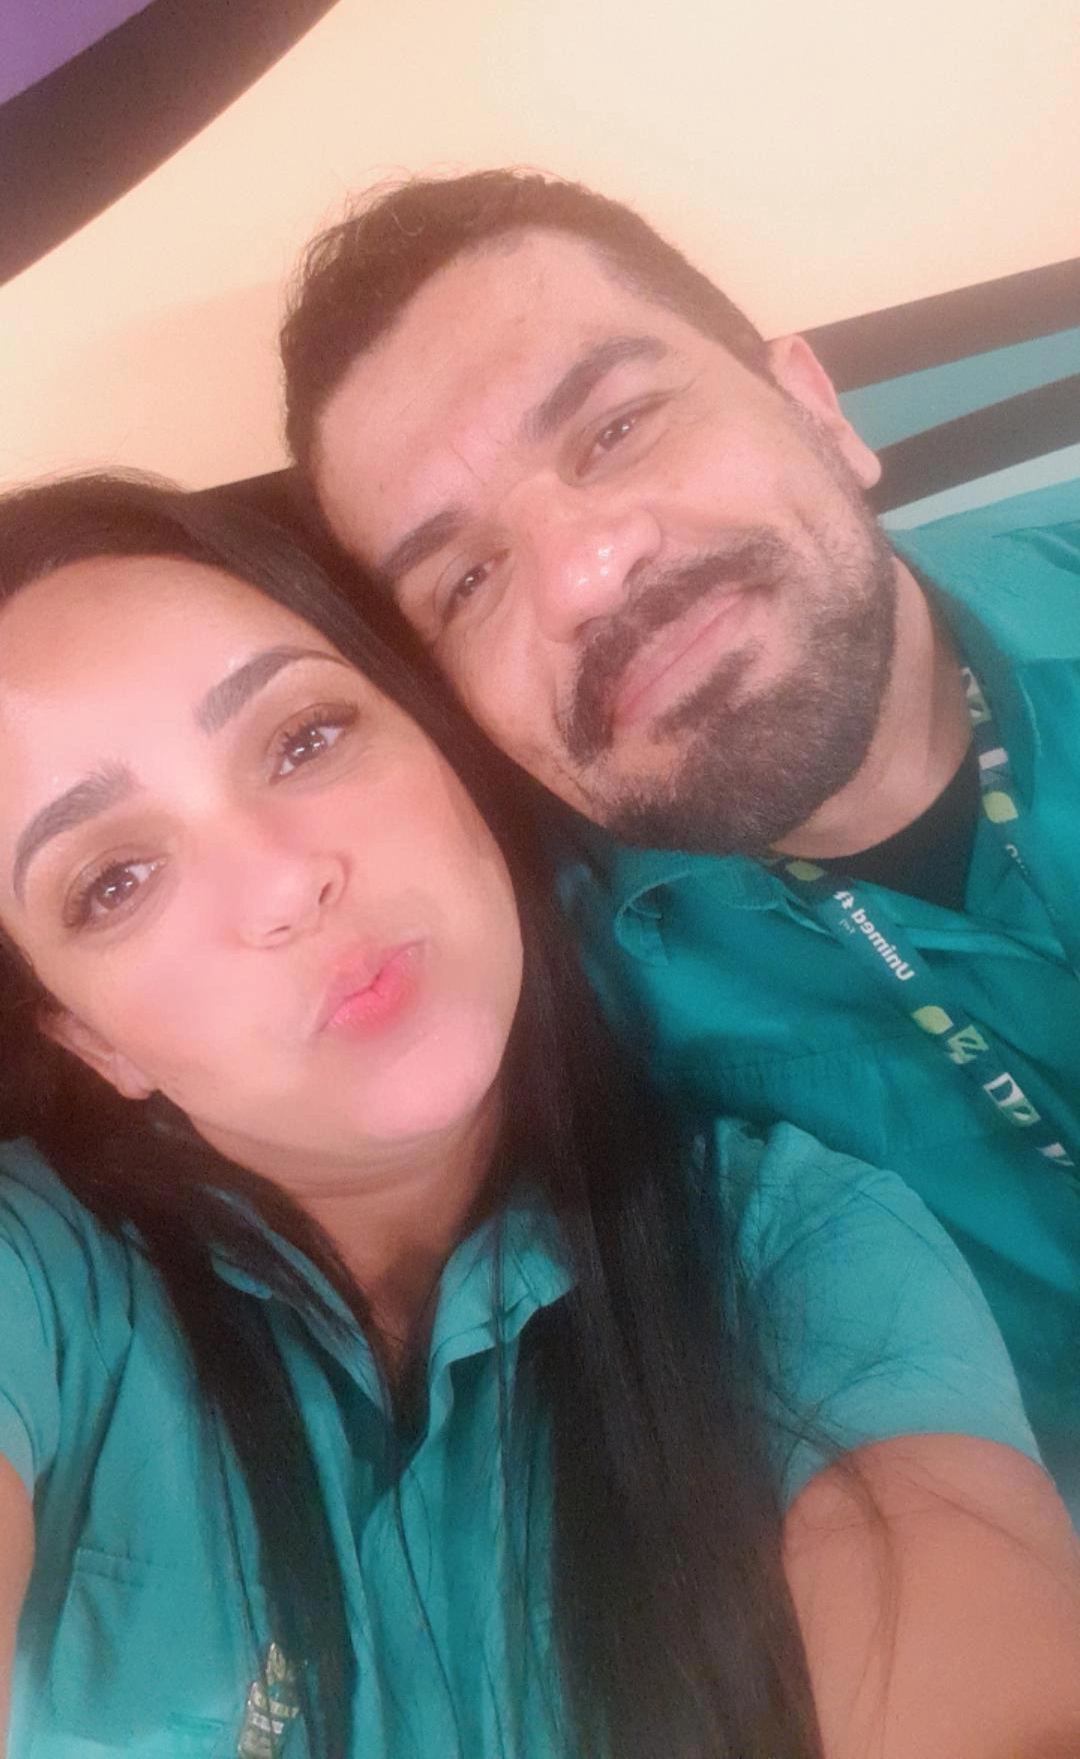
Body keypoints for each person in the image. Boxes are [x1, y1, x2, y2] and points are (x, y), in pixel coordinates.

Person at [0, 476, 1078, 1759]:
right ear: (92, 1039)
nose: (286, 884)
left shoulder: (807, 1248)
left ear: (447, 754)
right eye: (114, 880)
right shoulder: (42, 1285)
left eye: (304, 738)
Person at [278, 168, 1080, 1504]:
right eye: (467, 579)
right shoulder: (547, 1040)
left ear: (817, 410)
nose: (585, 577)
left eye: (616, 429)